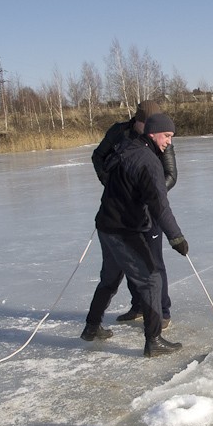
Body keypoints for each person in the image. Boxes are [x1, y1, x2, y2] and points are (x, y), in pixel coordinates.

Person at [81, 113, 189, 357]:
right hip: (123, 230)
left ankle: (91, 327)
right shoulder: (149, 162)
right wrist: (176, 238)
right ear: (153, 133)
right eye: (167, 136)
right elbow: (160, 205)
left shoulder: (126, 148)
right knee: (151, 280)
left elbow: (109, 176)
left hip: (106, 225)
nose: (169, 142)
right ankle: (154, 341)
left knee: (110, 278)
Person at [92, 100, 179, 328]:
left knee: (153, 263)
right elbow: (99, 157)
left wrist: (148, 192)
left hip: (150, 210)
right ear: (137, 120)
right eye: (143, 123)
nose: (147, 127)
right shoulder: (120, 132)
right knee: (130, 263)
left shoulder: (162, 138)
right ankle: (139, 306)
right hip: (121, 212)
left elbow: (171, 174)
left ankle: (162, 311)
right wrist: (110, 184)